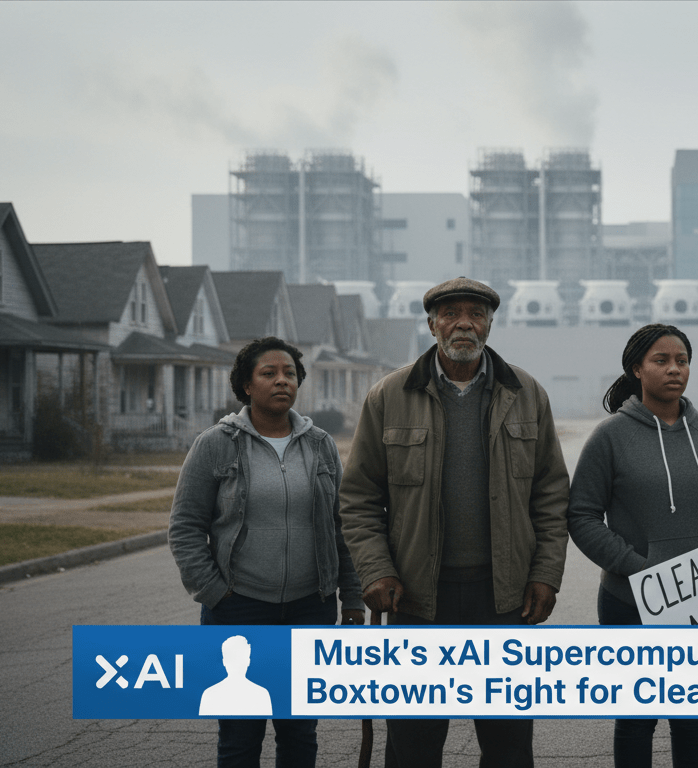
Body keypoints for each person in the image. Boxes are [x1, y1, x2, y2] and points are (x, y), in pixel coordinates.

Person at [339, 277, 570, 768]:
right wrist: (376, 570)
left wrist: (546, 574)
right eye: (451, 313)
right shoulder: (389, 396)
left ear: (489, 323)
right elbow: (359, 498)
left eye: (475, 313)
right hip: (419, 601)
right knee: (414, 746)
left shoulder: (527, 394)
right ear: (431, 324)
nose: (463, 322)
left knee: (508, 746)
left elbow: (551, 495)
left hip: (504, 599)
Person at [170, 336, 365, 768]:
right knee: (240, 738)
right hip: (238, 609)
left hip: (308, 609)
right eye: (268, 373)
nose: (282, 381)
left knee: (299, 733)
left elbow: (342, 528)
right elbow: (185, 527)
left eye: (290, 373)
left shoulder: (320, 445)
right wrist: (216, 593)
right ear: (245, 386)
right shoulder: (216, 443)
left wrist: (351, 599)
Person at [568, 324, 698, 768]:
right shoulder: (610, 436)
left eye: (682, 360)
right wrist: (636, 566)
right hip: (631, 600)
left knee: (692, 720)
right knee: (635, 720)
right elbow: (582, 515)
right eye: (661, 361)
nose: (674, 370)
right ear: (636, 369)